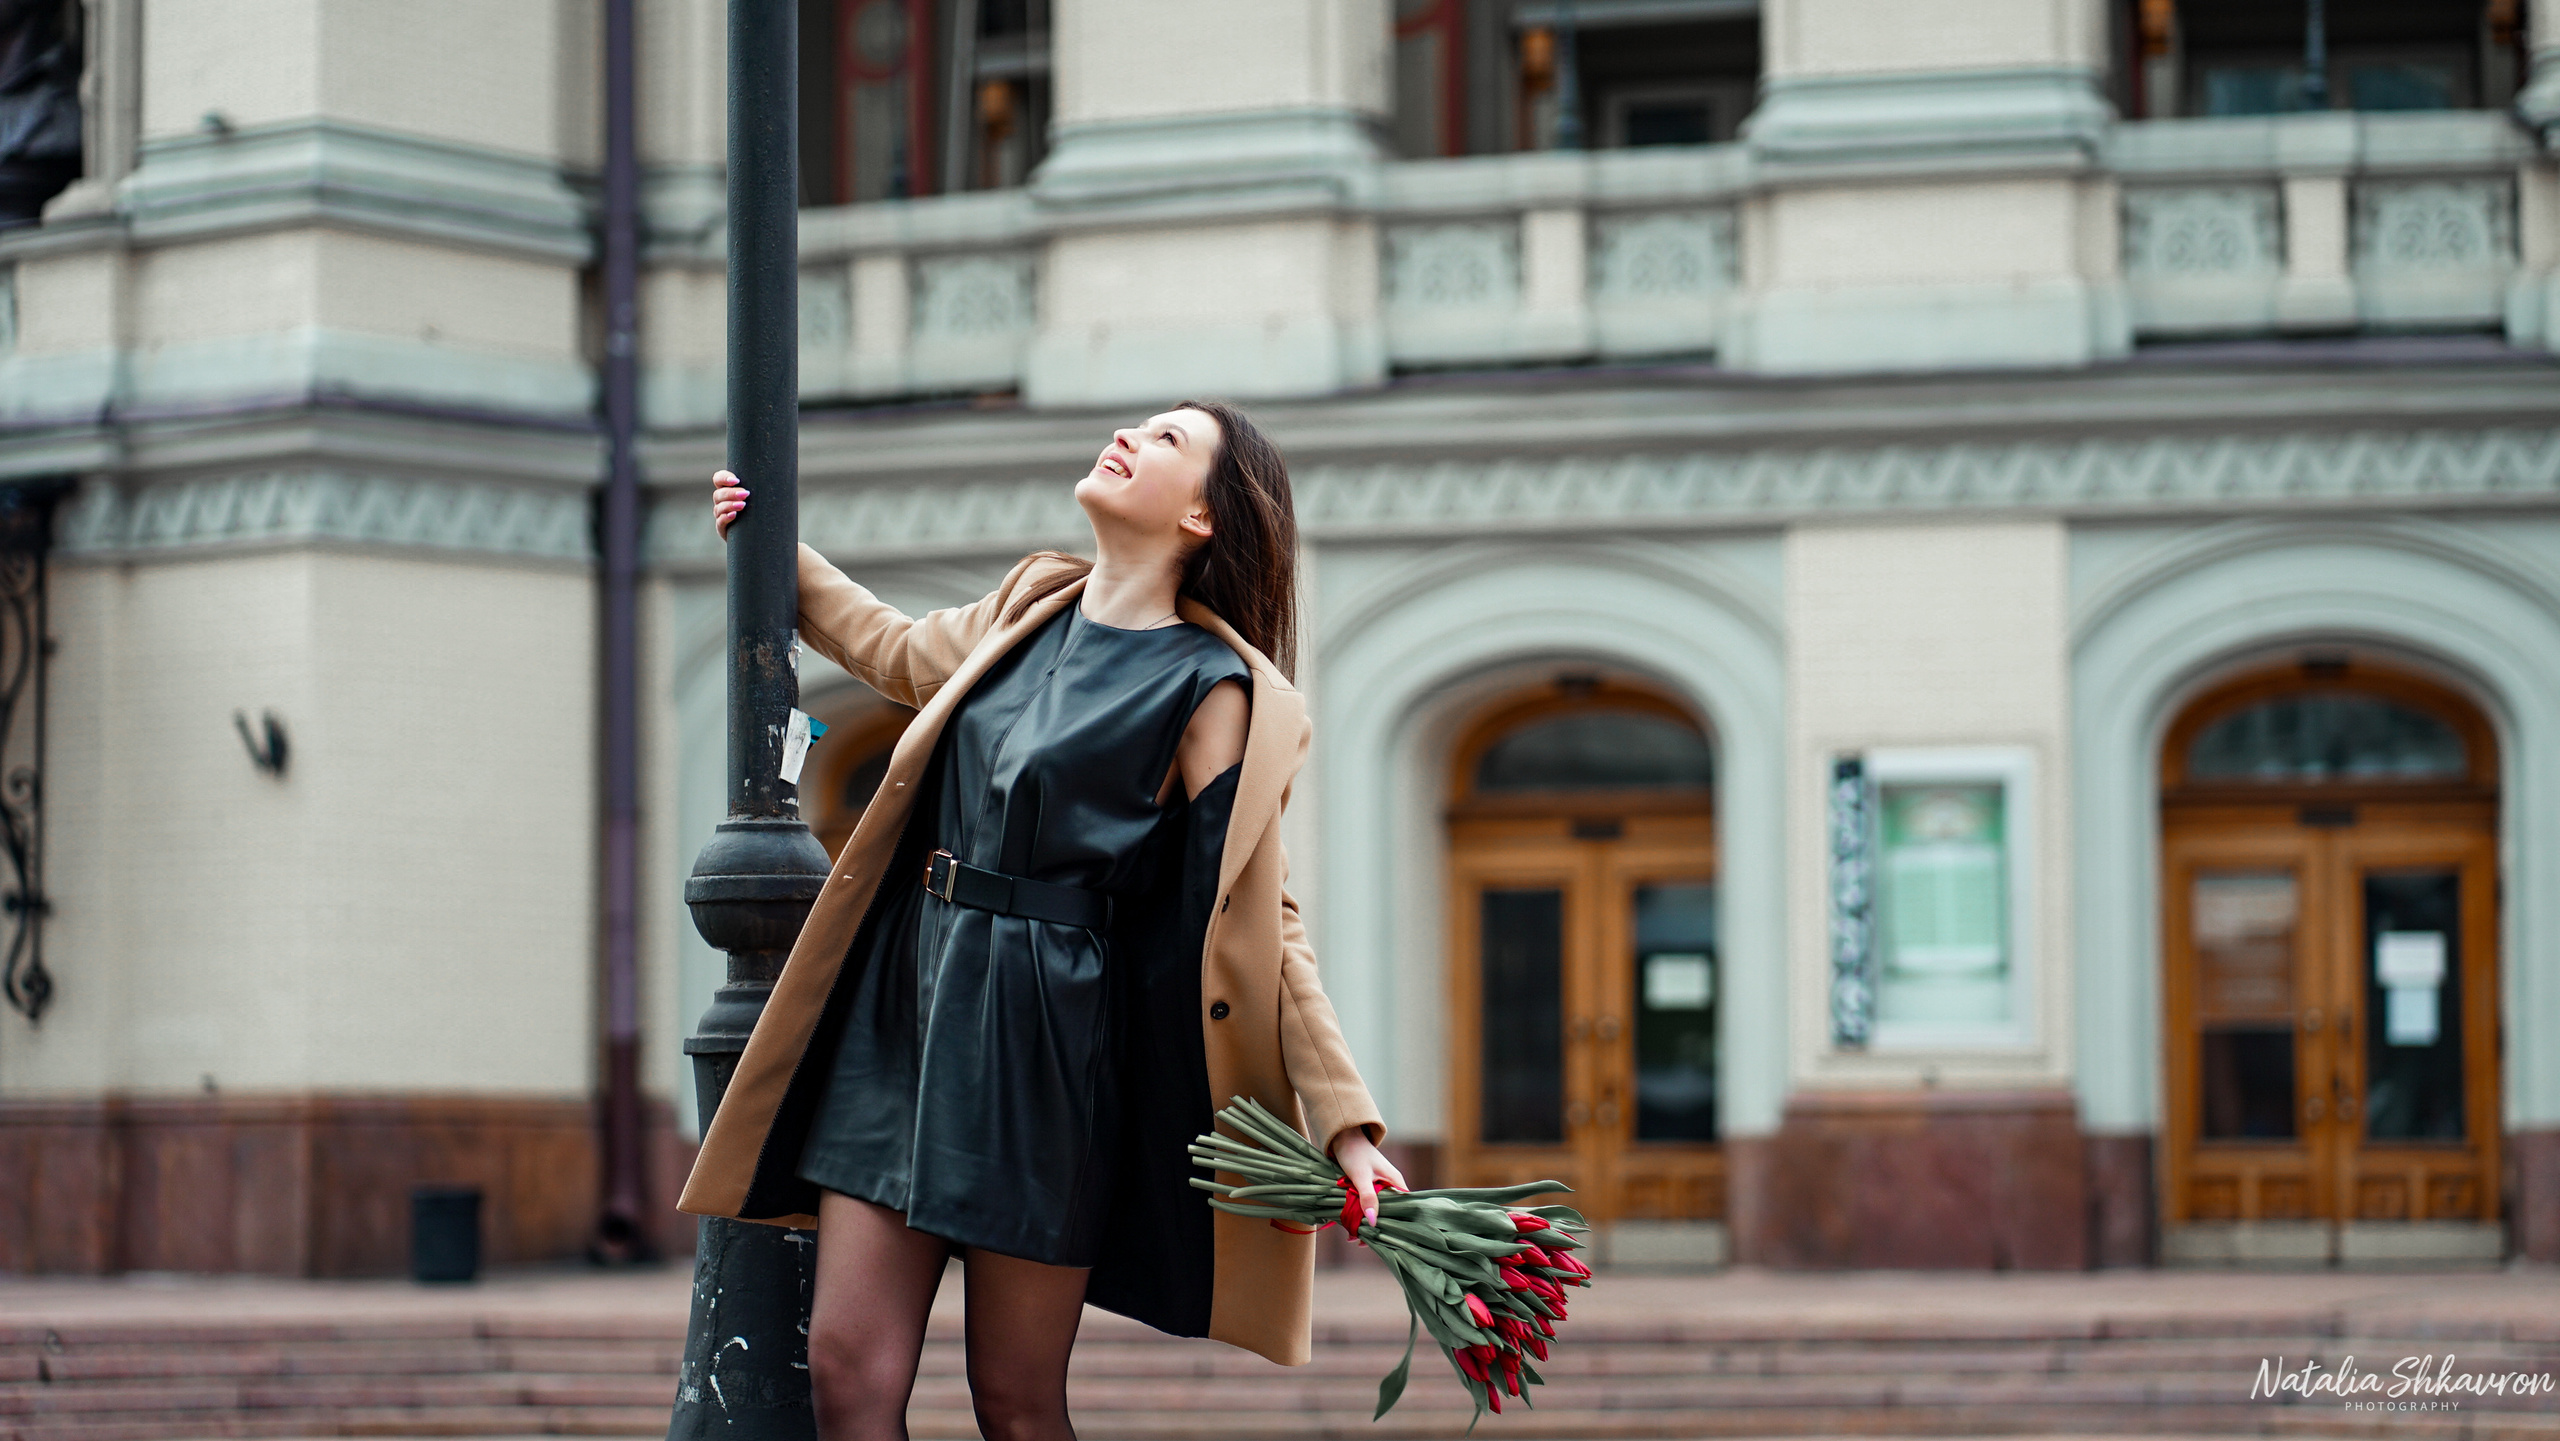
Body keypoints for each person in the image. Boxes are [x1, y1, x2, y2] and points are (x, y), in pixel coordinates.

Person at [681, 400, 1403, 1441]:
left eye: (1166, 440)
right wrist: (769, 550)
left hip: (1045, 1041)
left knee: (1014, 1402)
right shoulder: (1029, 604)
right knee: (847, 1372)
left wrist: (1344, 1122)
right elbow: (890, 649)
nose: (1129, 436)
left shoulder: (1214, 691)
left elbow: (1263, 918)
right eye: (1139, 423)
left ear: (1204, 515)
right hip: (903, 1005)